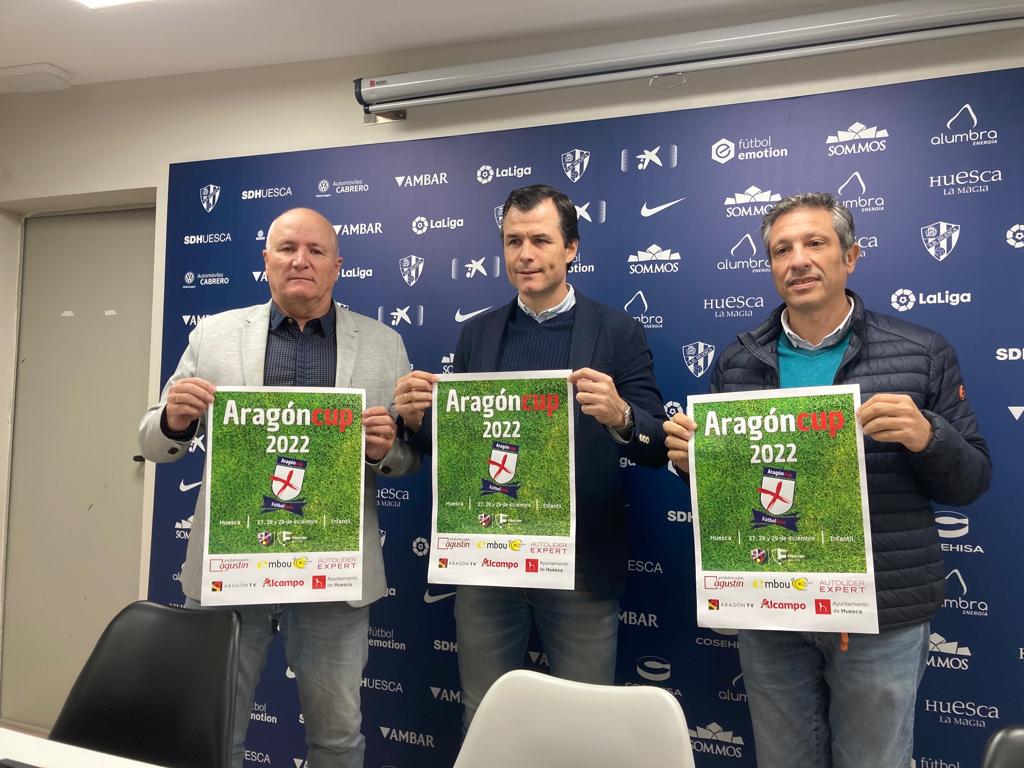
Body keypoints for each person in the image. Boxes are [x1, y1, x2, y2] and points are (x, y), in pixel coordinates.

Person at [664, 192, 991, 768]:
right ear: (769, 266)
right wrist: (694, 467)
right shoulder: (737, 362)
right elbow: (731, 497)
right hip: (770, 604)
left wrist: (927, 436)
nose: (798, 260)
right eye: (781, 249)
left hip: (880, 612)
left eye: (816, 243)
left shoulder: (921, 352)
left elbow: (970, 482)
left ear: (850, 256)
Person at [138, 207, 419, 768]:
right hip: (232, 563)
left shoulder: (384, 344)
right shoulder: (214, 335)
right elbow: (152, 439)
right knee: (212, 731)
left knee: (338, 738)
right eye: (287, 248)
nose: (301, 261)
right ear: (265, 260)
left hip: (333, 571)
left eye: (315, 251)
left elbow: (407, 460)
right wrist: (173, 420)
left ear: (338, 265)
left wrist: (388, 450)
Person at [395, 184, 668, 730]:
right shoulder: (477, 333)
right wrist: (420, 423)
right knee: (486, 716)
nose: (525, 254)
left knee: (583, 724)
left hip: (581, 567)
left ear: (571, 248)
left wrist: (620, 415)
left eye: (540, 240)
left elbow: (658, 445)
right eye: (512, 241)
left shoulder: (617, 330)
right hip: (488, 559)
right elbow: (458, 447)